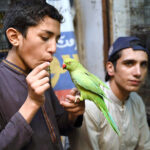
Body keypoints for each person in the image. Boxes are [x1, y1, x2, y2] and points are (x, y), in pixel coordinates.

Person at [0, 0, 85, 150]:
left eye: (57, 40)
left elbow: (58, 126)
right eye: (45, 38)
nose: (53, 48)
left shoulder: (39, 73)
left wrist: (73, 114)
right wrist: (32, 103)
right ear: (14, 37)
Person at [68, 36, 150, 150]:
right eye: (129, 63)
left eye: (143, 64)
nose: (138, 72)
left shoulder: (137, 101)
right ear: (110, 68)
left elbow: (144, 146)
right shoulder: (90, 105)